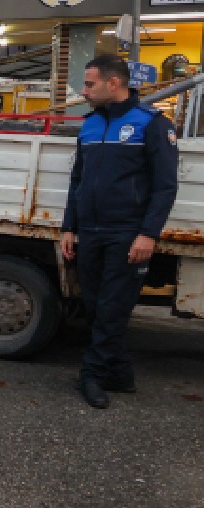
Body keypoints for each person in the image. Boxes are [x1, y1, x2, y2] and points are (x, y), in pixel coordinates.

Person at [61, 54, 178, 409]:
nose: (84, 91)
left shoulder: (152, 124)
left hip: (127, 233)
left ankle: (92, 375)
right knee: (96, 306)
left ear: (114, 83)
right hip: (91, 232)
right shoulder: (90, 124)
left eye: (90, 84)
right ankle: (120, 373)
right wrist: (69, 226)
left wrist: (148, 234)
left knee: (113, 307)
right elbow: (77, 180)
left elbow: (165, 186)